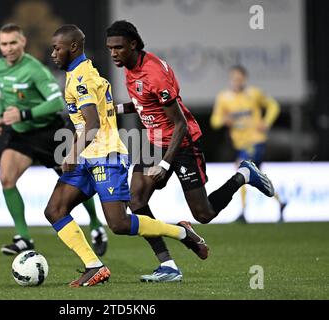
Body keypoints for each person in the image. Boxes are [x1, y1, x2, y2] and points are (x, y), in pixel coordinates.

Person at [106, 20, 275, 282]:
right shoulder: (130, 67)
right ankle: (168, 265)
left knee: (204, 213)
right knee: (137, 201)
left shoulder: (154, 73)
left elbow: (180, 124)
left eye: (118, 47)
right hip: (153, 142)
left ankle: (244, 174)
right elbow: (143, 103)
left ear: (133, 45)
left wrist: (164, 165)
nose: (114, 53)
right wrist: (115, 110)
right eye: (110, 48)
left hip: (182, 143)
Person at [47, 24, 209, 287]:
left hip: (105, 156)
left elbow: (92, 124)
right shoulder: (77, 73)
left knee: (120, 224)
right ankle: (94, 266)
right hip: (88, 154)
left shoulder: (82, 79)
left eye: (57, 48)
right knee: (55, 210)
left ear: (73, 47)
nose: (53, 53)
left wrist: (72, 154)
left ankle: (181, 233)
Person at [0, 23, 108, 256]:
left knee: (72, 182)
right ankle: (23, 238)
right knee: (6, 177)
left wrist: (24, 114)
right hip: (21, 135)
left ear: (23, 42)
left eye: (13, 42)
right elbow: (2, 96)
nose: (9, 48)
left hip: (48, 134)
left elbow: (56, 104)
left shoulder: (35, 70)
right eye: (4, 43)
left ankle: (95, 224)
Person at [211, 65, 287, 223]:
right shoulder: (224, 97)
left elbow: (274, 106)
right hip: (240, 144)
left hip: (255, 141)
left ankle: (243, 212)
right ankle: (280, 202)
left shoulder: (254, 93)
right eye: (234, 79)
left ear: (244, 79)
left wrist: (266, 122)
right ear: (230, 80)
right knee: (255, 177)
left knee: (243, 168)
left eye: (239, 79)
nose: (236, 82)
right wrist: (224, 120)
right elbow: (214, 121)